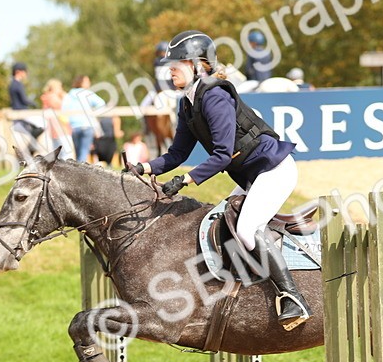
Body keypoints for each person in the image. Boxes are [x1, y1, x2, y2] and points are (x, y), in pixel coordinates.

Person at [131, 29, 309, 330]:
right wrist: (144, 168)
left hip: (273, 169)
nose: (169, 69)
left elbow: (223, 155)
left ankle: (293, 297)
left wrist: (184, 181)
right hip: (252, 175)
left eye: (177, 63)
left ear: (198, 65)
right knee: (219, 222)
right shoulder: (187, 103)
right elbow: (175, 154)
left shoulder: (214, 95)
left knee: (247, 230)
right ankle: (240, 293)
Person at [65, 75, 106, 162]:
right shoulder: (87, 93)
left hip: (74, 127)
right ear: (81, 82)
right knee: (83, 153)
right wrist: (93, 113)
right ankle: (80, 172)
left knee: (78, 153)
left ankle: (77, 171)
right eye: (87, 81)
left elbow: (64, 109)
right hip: (87, 125)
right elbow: (101, 103)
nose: (89, 83)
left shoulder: (69, 95)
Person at [8, 62, 43, 156]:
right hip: (21, 112)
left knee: (37, 127)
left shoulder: (12, 84)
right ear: (18, 72)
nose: (26, 74)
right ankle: (31, 146)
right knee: (42, 124)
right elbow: (24, 100)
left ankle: (31, 143)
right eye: (24, 71)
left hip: (18, 112)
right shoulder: (17, 84)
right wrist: (34, 103)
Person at [40, 79, 70, 145]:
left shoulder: (48, 96)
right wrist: (64, 96)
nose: (61, 89)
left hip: (54, 127)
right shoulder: (51, 96)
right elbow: (60, 105)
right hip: (57, 127)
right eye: (60, 87)